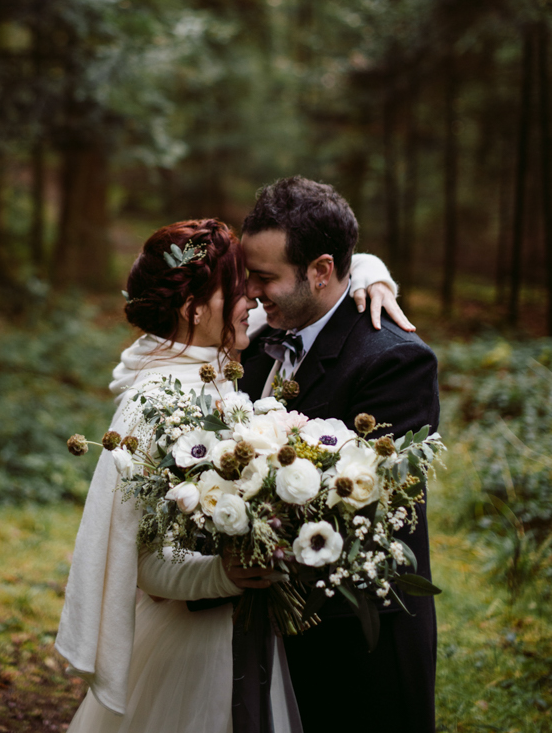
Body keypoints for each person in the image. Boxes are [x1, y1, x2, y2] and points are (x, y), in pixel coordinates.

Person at [56, 218, 406, 733]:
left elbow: (322, 277)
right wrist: (222, 574)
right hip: (199, 647)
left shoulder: (219, 360)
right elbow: (142, 559)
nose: (254, 301)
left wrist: (371, 274)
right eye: (239, 288)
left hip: (257, 635)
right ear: (193, 308)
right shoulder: (153, 400)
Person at [239, 177, 440, 733]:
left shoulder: (393, 363)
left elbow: (368, 509)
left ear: (321, 271)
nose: (251, 291)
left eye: (264, 277)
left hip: (356, 639)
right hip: (267, 640)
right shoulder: (256, 343)